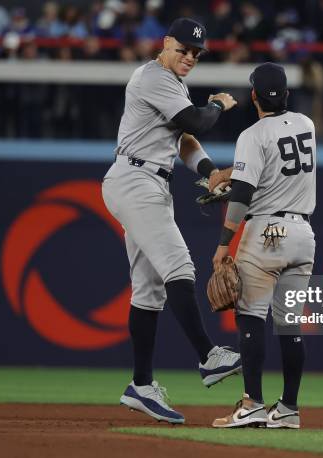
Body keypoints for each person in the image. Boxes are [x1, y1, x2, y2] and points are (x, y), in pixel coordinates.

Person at [101, 17, 241, 425]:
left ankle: (141, 386)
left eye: (196, 53)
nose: (190, 57)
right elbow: (198, 121)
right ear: (166, 43)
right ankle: (209, 356)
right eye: (184, 49)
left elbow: (184, 139)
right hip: (135, 179)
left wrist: (211, 171)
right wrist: (217, 104)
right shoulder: (153, 77)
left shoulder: (174, 86)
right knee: (179, 265)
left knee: (148, 292)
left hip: (149, 182)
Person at [210, 63, 316, 428]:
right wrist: (233, 174)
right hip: (303, 235)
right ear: (286, 94)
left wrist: (225, 242)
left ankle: (252, 403)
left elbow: (243, 194)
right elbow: (273, 167)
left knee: (250, 315)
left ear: (253, 95)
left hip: (268, 231)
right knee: (290, 326)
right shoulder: (307, 125)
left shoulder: (251, 135)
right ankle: (288, 409)